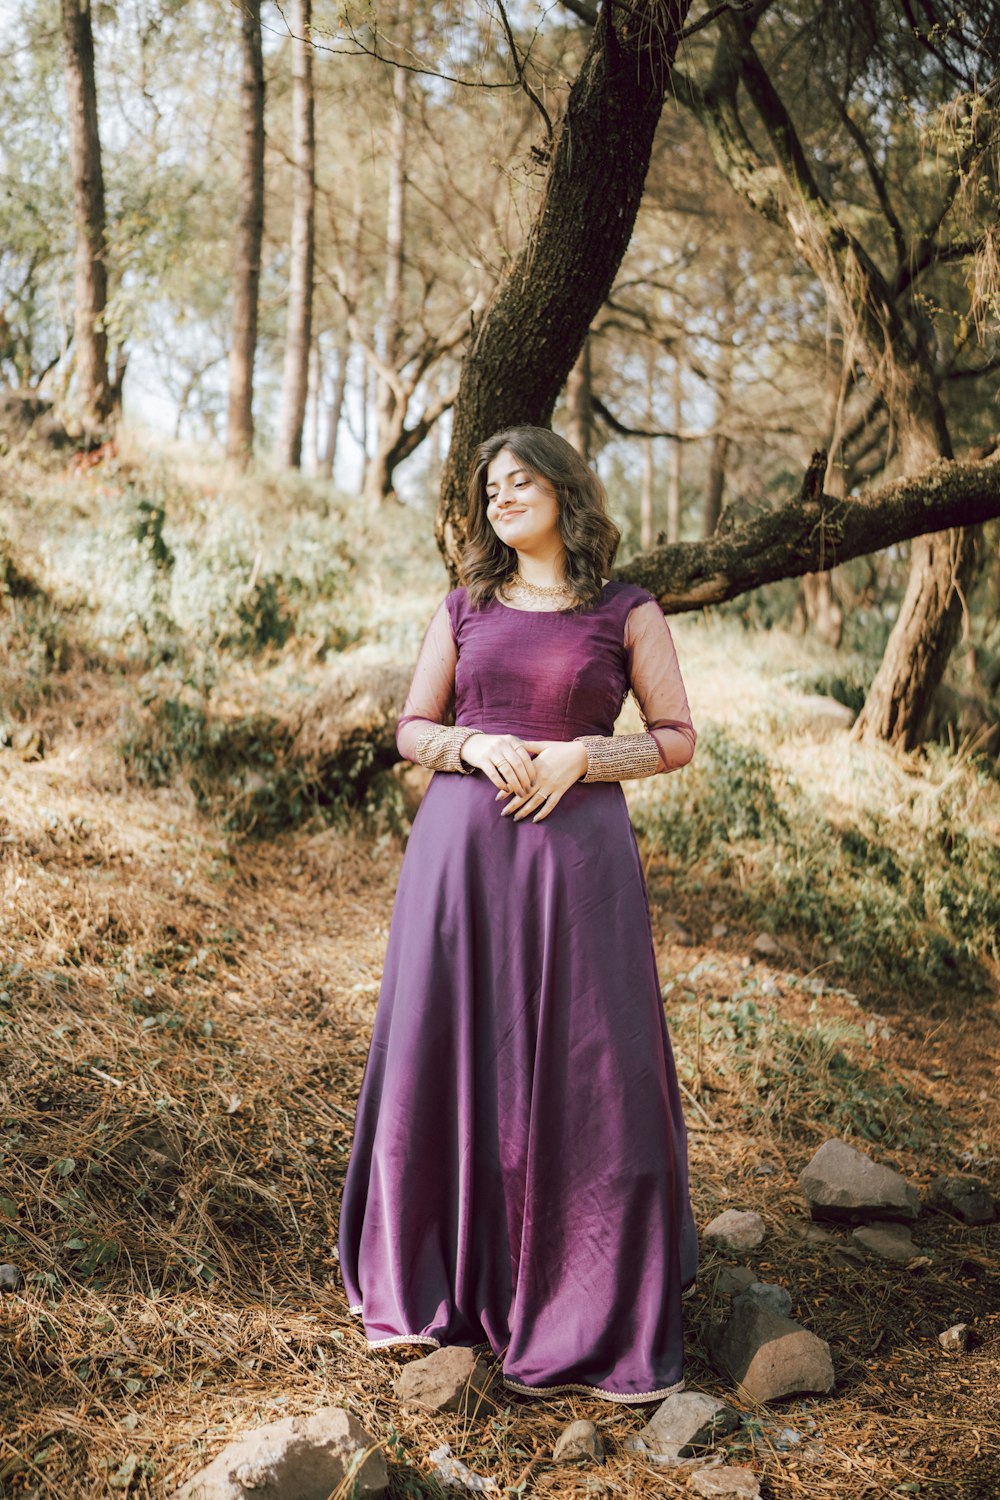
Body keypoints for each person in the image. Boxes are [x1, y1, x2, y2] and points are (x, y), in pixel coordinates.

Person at [336, 425, 699, 1404]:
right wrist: (467, 745)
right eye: (490, 486)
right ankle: (436, 1285)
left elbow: (675, 738)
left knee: (591, 1068)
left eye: (520, 480)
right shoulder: (464, 607)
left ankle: (585, 1299)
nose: (500, 496)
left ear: (564, 493)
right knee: (445, 1052)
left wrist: (584, 755)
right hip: (459, 866)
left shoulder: (626, 610)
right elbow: (410, 728)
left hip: (578, 870)